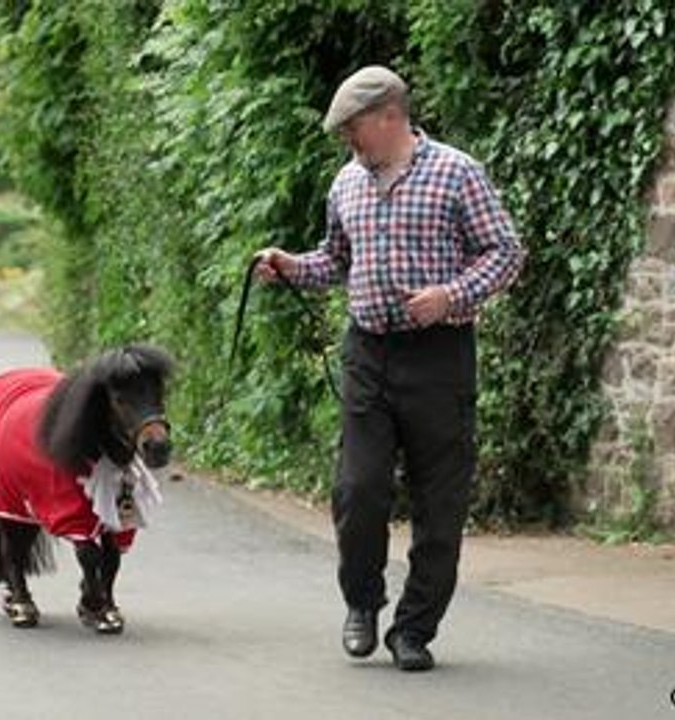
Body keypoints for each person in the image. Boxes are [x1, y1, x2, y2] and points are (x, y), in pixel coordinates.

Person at [254, 65, 526, 671]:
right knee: (357, 487)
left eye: (353, 128)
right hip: (368, 353)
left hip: (439, 358)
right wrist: (290, 265)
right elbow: (335, 261)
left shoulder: (457, 172)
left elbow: (507, 255)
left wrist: (451, 296)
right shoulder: (346, 182)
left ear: (389, 117)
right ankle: (362, 603)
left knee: (440, 501)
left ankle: (414, 630)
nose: (348, 141)